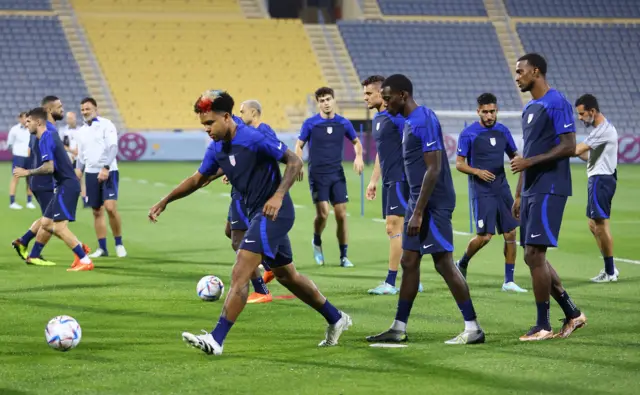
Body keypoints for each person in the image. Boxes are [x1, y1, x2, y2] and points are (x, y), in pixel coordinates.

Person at [149, 91, 351, 356]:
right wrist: (165, 201)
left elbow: (294, 160)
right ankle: (336, 318)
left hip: (275, 212)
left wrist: (279, 196)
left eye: (210, 123)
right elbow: (197, 179)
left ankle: (216, 339)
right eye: (203, 125)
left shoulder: (254, 138)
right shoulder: (216, 148)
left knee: (241, 270)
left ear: (226, 117)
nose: (207, 130)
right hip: (255, 212)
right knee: (287, 276)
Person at [366, 75, 484, 345]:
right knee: (409, 261)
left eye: (388, 97)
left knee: (443, 263)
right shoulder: (408, 122)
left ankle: (473, 327)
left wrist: (418, 211)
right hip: (417, 201)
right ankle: (398, 327)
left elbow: (435, 167)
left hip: (433, 203)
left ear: (403, 95)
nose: (385, 102)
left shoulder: (423, 119)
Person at [511, 53, 586, 340]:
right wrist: (518, 194)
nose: (517, 76)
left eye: (521, 72)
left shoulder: (557, 102)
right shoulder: (530, 107)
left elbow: (569, 146)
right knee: (532, 258)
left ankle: (543, 325)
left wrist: (529, 164)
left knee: (534, 254)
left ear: (536, 71)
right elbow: (528, 153)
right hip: (531, 189)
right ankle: (573, 313)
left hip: (550, 187)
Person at [455, 93, 527, 293]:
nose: (489, 116)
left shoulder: (502, 131)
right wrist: (477, 171)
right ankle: (462, 262)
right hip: (481, 190)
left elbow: (515, 155)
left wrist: (520, 162)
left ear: (497, 111)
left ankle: (509, 281)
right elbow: (459, 164)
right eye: (485, 112)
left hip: (502, 188)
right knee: (485, 236)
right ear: (478, 111)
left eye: (492, 112)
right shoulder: (469, 133)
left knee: (511, 233)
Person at [362, 75, 423, 295]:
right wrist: (373, 180)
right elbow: (382, 152)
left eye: (369, 93)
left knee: (393, 228)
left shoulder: (396, 118)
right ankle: (413, 276)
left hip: (401, 179)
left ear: (382, 93)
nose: (365, 98)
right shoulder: (378, 119)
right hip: (389, 180)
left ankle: (390, 282)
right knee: (403, 230)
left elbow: (415, 145)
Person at [13, 107, 93, 271]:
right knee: (47, 223)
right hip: (63, 184)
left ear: (39, 122)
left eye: (29, 121)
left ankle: (84, 259)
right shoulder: (45, 136)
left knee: (58, 227)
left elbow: (49, 168)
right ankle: (79, 250)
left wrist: (27, 172)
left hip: (67, 185)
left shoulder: (46, 138)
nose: (25, 124)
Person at [295, 87, 364, 267]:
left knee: (341, 215)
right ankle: (316, 241)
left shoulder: (343, 123)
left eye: (328, 99)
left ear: (334, 100)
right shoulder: (311, 124)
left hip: (337, 174)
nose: (326, 103)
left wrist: (358, 156)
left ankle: (344, 256)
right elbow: (299, 145)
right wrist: (299, 163)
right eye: (322, 100)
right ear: (318, 103)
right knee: (323, 214)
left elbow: (357, 142)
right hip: (318, 175)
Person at [573, 93, 619, 283]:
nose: (580, 118)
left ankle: (610, 272)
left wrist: (559, 144)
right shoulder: (600, 130)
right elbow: (587, 157)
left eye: (582, 114)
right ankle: (610, 269)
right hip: (599, 178)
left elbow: (576, 150)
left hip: (601, 179)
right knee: (593, 224)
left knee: (600, 225)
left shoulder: (602, 130)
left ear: (592, 111)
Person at [76, 97, 127, 259]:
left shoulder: (107, 125)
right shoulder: (81, 131)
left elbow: (113, 147)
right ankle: (102, 248)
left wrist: (106, 167)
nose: (85, 112)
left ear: (96, 109)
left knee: (111, 208)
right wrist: (78, 171)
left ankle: (119, 243)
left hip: (109, 171)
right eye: (83, 109)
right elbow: (81, 156)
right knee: (97, 211)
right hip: (90, 173)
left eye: (87, 109)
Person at [7, 111, 35, 210]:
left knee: (30, 180)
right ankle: (12, 202)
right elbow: (9, 144)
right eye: (24, 118)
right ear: (20, 119)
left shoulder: (31, 129)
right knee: (15, 178)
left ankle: (29, 201)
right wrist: (16, 153)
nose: (25, 120)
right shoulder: (14, 130)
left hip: (30, 157)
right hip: (18, 156)